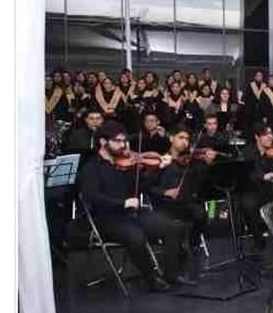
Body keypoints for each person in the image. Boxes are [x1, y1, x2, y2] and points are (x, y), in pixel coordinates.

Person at [77, 120, 186, 292]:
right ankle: (151, 278)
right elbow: (92, 196)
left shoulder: (126, 163)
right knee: (136, 236)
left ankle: (171, 274)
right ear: (103, 142)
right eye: (118, 141)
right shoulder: (91, 167)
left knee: (173, 227)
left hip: (132, 214)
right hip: (107, 219)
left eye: (124, 141)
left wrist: (159, 168)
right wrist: (122, 202)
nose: (123, 145)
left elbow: (143, 185)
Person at [149, 125, 217, 283]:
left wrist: (207, 164)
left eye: (187, 139)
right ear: (171, 138)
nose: (185, 142)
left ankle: (193, 244)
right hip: (165, 203)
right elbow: (148, 186)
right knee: (178, 220)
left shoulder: (191, 161)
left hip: (186, 202)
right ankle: (180, 253)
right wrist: (164, 192)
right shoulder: (161, 160)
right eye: (181, 138)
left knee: (201, 214)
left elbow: (202, 183)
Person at [241, 123, 273, 252]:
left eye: (271, 134)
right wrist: (263, 177)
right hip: (255, 190)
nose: (270, 137)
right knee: (247, 204)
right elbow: (248, 174)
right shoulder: (248, 151)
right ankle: (258, 240)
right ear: (257, 137)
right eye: (265, 135)